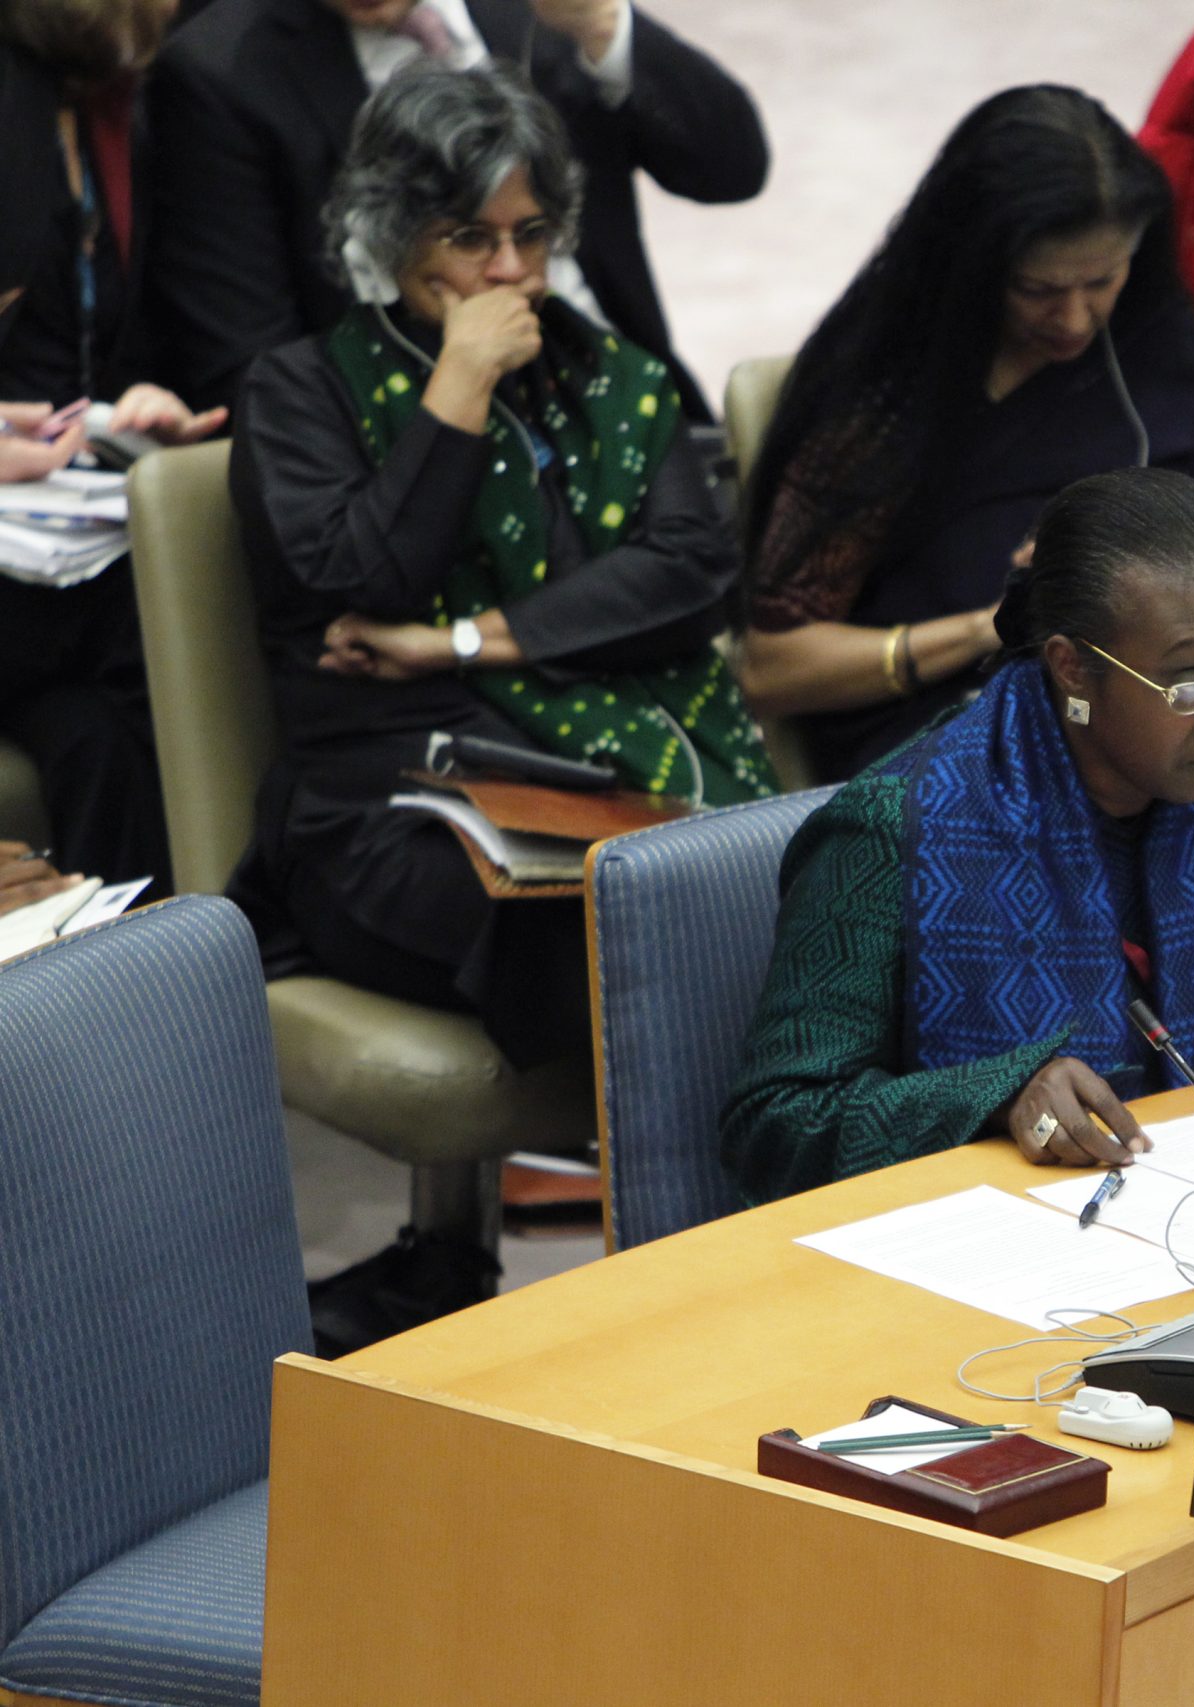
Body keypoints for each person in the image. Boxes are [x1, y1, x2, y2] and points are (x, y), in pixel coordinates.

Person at [228, 65, 773, 1344]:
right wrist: (456, 389)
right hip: (379, 809)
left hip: (599, 776)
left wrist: (465, 639)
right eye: (466, 236)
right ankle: (677, 1296)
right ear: (387, 234)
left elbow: (694, 571)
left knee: (753, 887)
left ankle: (725, 1271)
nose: (505, 273)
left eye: (530, 236)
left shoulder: (608, 378)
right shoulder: (301, 392)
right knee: (611, 930)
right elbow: (358, 576)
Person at [724, 466, 1194, 1205]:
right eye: (1188, 683)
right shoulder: (891, 828)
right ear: (1074, 670)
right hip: (988, 1263)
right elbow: (772, 1125)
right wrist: (996, 1099)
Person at [738, 85, 1194, 784]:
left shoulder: (1157, 350)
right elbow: (771, 669)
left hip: (1158, 731)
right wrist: (992, 627)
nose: (1073, 318)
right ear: (976, 268)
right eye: (1038, 289)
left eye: (1100, 280)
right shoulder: (886, 396)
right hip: (953, 750)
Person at [144, 0, 765, 418]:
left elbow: (732, 170)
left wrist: (604, 25)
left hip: (631, 413)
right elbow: (249, 368)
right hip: (415, 451)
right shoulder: (221, 70)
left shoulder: (536, 13)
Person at [2, 0, 222, 902]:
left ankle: (156, 993)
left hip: (63, 533)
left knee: (101, 738)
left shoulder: (136, 94)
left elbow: (103, 340)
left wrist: (140, 416)